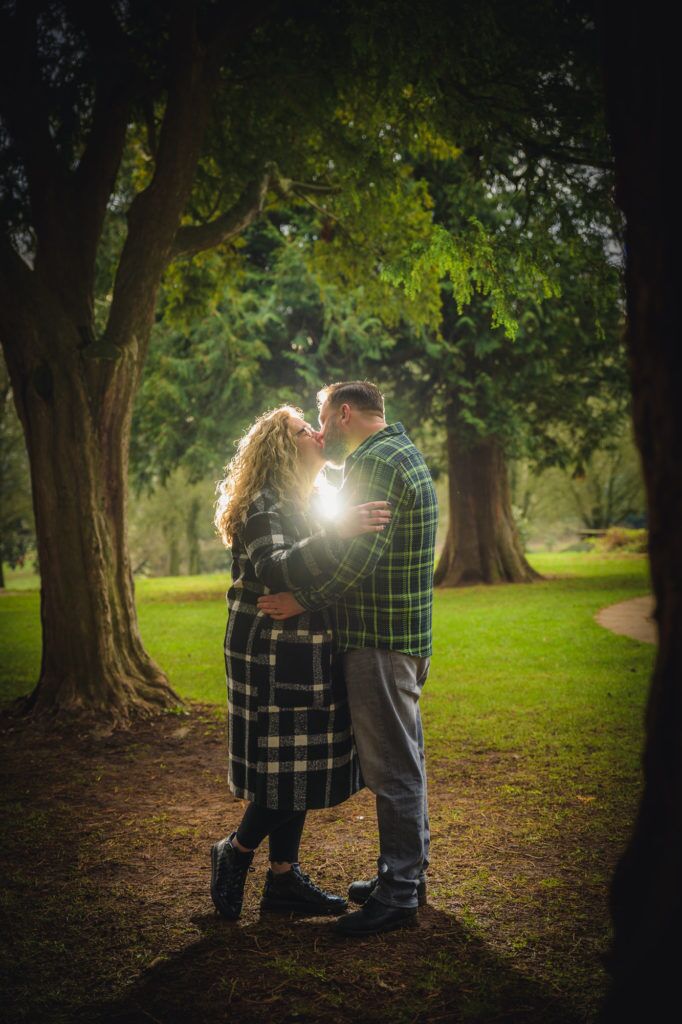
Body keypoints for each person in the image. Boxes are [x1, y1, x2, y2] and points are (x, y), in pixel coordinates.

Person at [258, 381, 438, 936]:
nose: (318, 430)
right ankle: (404, 877)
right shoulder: (399, 449)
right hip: (403, 636)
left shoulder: (374, 462)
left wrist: (300, 600)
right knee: (406, 759)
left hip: (379, 638)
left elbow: (358, 559)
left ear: (343, 413)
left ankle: (400, 895)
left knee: (392, 770)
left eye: (321, 417)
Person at [210, 405, 391, 920]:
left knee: (297, 764)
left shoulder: (311, 500)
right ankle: (236, 851)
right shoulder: (263, 502)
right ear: (280, 447)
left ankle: (283, 881)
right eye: (300, 429)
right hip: (269, 651)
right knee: (284, 765)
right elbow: (275, 569)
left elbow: (314, 571)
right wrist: (340, 534)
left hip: (307, 645)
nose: (316, 431)